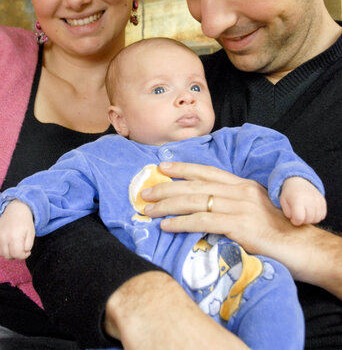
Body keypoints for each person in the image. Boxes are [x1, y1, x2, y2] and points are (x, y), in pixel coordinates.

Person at [20, 0, 342, 349]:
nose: (210, 22)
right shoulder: (179, 85)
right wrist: (150, 303)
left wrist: (298, 242)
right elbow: (68, 227)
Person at [0, 37, 327, 350]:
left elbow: (274, 157)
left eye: (195, 86)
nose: (187, 98)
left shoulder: (232, 145)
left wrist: (295, 183)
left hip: (241, 282)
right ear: (120, 119)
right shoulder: (102, 158)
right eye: (159, 89)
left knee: (275, 295)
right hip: (151, 306)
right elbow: (57, 187)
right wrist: (21, 207)